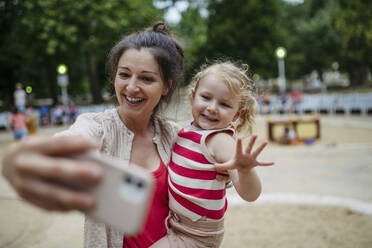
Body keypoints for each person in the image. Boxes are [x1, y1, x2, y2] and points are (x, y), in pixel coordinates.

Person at [2, 22, 206, 248]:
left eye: (146, 79)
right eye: (124, 75)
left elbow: (209, 182)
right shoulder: (96, 126)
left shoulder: (175, 136)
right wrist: (21, 159)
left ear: (166, 86)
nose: (131, 87)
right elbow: (68, 143)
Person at [151, 61, 274, 247]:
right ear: (193, 97)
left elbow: (250, 195)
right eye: (206, 97)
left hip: (196, 234)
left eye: (224, 104)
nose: (213, 107)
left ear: (235, 115)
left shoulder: (220, 140)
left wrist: (245, 171)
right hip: (177, 223)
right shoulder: (190, 129)